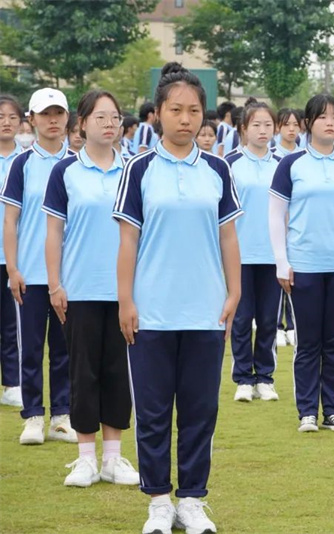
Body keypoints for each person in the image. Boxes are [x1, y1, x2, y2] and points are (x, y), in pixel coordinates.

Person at [114, 62, 242, 534]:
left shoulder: (217, 169)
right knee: (152, 413)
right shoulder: (139, 169)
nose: (185, 119)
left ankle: (191, 499)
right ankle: (158, 502)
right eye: (175, 110)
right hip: (152, 312)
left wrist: (235, 291)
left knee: (199, 412)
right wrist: (126, 301)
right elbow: (128, 240)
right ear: (158, 114)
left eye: (193, 111)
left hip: (205, 311)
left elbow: (228, 236)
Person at [43, 89, 139, 488]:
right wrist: (55, 284)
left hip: (123, 292)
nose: (109, 124)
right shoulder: (65, 172)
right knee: (82, 373)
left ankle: (113, 458)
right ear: (81, 123)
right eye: (100, 117)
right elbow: (54, 232)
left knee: (118, 373)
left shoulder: (133, 170)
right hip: (80, 289)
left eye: (114, 117)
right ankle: (86, 458)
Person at [269, 93, 334, 434]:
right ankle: (308, 411)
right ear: (308, 123)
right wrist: (281, 261)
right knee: (309, 342)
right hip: (304, 265)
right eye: (323, 117)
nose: (330, 122)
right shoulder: (291, 165)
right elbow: (276, 214)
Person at [1, 88, 75, 445]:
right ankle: (32, 416)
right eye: (45, 114)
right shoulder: (22, 163)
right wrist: (13, 268)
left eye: (58, 113)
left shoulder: (77, 162)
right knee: (30, 348)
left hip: (68, 274)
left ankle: (61, 415)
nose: (52, 120)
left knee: (65, 349)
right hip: (30, 272)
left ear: (68, 118)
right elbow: (10, 219)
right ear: (31, 120)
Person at [226, 98, 282, 403]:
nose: (263, 130)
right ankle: (243, 378)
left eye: (268, 124)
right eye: (256, 124)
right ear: (243, 129)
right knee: (241, 318)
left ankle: (265, 377)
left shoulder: (282, 165)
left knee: (269, 319)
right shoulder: (230, 164)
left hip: (273, 255)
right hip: (240, 254)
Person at [0, 95, 23, 407]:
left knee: (11, 324)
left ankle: (12, 383)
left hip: (13, 255)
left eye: (12, 117)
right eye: (0, 117)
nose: (6, 122)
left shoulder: (26, 160)